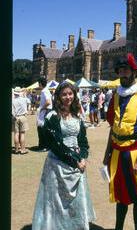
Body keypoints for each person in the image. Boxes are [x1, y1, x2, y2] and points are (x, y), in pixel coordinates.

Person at [32, 82, 96, 230]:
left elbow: (83, 142)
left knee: (74, 204)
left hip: (77, 166)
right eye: (64, 94)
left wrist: (83, 157)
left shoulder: (77, 116)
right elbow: (56, 145)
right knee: (56, 204)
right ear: (58, 97)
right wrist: (75, 161)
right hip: (57, 166)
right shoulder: (52, 117)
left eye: (70, 93)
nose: (68, 97)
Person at [102, 53, 137, 230]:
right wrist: (106, 155)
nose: (122, 74)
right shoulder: (116, 95)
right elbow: (112, 128)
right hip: (116, 153)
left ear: (133, 72)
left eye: (126, 70)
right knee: (120, 196)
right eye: (120, 71)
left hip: (133, 152)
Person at [36, 77, 53, 151]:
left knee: (42, 129)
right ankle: (45, 145)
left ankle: (44, 146)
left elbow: (48, 102)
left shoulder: (44, 91)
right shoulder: (46, 90)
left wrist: (42, 108)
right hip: (47, 111)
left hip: (46, 111)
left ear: (40, 83)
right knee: (45, 129)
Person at [12, 87, 29, 154]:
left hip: (15, 117)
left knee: (16, 133)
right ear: (19, 93)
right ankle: (22, 149)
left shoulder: (12, 100)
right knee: (22, 134)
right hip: (23, 116)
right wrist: (24, 93)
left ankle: (16, 150)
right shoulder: (24, 99)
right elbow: (28, 101)